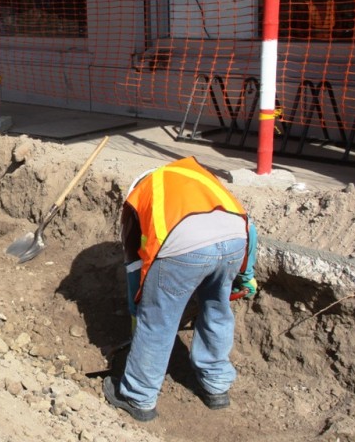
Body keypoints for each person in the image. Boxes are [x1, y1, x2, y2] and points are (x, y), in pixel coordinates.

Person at [103, 156, 258, 421]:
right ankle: (216, 386)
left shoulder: (139, 196)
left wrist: (137, 308)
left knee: (158, 321)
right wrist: (247, 275)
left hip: (182, 249)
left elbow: (133, 265)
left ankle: (138, 396)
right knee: (216, 309)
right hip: (235, 241)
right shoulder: (202, 179)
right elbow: (249, 229)